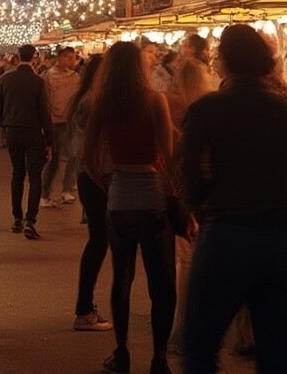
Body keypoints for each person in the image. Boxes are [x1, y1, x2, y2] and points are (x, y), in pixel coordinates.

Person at [179, 24, 287, 374]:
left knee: (200, 351)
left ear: (226, 62)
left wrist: (203, 210)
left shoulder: (206, 110)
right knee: (278, 360)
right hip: (286, 238)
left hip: (226, 235)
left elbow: (187, 178)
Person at [84, 42, 176, 374]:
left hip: (120, 198)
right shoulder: (154, 100)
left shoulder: (102, 104)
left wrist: (109, 183)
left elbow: (88, 161)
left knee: (121, 278)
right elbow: (168, 154)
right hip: (151, 198)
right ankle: (159, 358)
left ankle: (121, 352)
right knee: (161, 283)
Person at [67, 55, 112, 333]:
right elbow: (90, 149)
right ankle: (84, 309)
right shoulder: (94, 102)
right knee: (99, 241)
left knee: (99, 240)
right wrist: (103, 180)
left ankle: (85, 306)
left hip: (89, 176)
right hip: (95, 177)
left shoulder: (84, 99)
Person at [0, 44, 53, 239]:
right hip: (33, 132)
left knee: (17, 173)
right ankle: (30, 221)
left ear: (17, 57)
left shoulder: (5, 80)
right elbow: (44, 112)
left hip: (13, 132)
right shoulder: (37, 82)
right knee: (35, 177)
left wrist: (4, 124)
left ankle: (16, 218)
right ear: (34, 57)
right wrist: (49, 140)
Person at [40, 46, 81, 208]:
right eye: (68, 57)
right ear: (60, 58)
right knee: (54, 160)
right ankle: (45, 194)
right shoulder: (48, 77)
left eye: (73, 57)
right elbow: (45, 100)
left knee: (73, 155)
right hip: (54, 123)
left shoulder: (76, 77)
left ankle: (66, 189)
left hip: (71, 122)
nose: (71, 60)